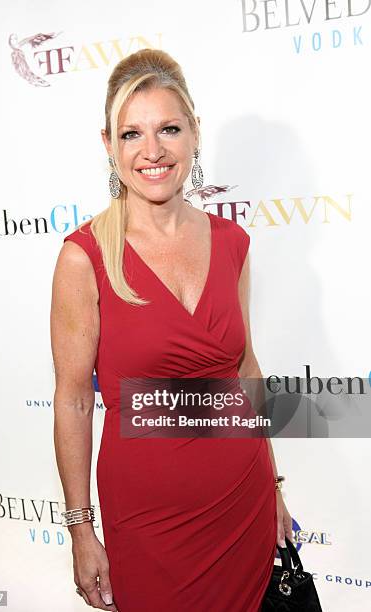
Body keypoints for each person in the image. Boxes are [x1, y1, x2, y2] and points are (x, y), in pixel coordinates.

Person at [50, 48, 293, 612]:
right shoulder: (84, 258)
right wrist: (82, 531)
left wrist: (276, 488)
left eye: (169, 129)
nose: (153, 151)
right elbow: (71, 401)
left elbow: (244, 371)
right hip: (149, 524)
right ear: (109, 146)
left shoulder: (232, 244)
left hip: (244, 500)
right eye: (132, 134)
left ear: (195, 134)